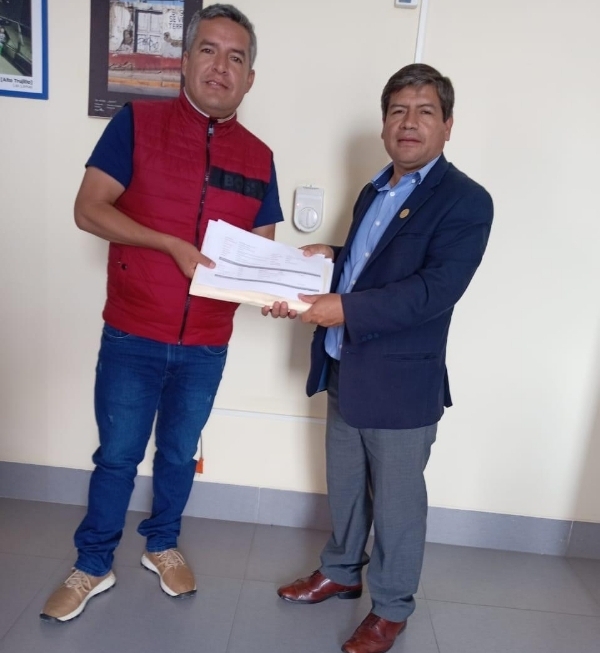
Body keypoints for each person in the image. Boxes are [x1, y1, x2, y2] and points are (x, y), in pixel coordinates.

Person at [41, 4, 284, 623]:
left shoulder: (260, 157)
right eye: (209, 50)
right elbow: (89, 209)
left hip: (207, 341)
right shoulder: (137, 124)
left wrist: (288, 285)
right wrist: (168, 243)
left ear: (250, 78)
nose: (221, 66)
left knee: (177, 454)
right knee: (118, 455)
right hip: (133, 331)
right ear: (185, 60)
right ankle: (93, 562)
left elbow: (264, 252)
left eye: (236, 57)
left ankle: (162, 544)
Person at [265, 64, 493, 653]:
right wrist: (329, 256)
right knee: (344, 486)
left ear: (447, 125)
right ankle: (341, 572)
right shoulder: (376, 189)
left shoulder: (466, 201)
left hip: (401, 384)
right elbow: (374, 264)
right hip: (346, 367)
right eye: (398, 111)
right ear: (385, 123)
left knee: (396, 505)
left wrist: (343, 307)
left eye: (424, 112)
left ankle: (390, 608)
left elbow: (433, 289)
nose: (408, 123)